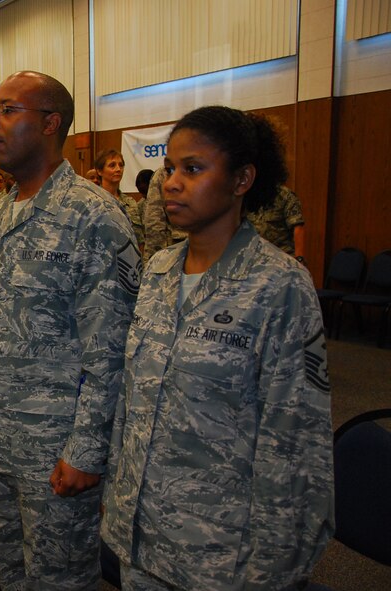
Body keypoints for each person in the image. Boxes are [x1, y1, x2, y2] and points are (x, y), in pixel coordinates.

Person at [101, 105, 334, 590]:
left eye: (193, 169)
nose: (171, 183)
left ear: (242, 179)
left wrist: (274, 565)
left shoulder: (279, 285)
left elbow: (295, 439)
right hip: (140, 535)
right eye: (169, 169)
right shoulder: (159, 271)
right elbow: (133, 396)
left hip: (222, 552)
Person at [0, 71, 140, 590]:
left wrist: (87, 449)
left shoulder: (93, 217)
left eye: (7, 110)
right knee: (8, 570)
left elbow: (112, 349)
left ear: (50, 123)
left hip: (55, 449)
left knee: (58, 579)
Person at [96, 148, 144, 250]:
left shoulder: (130, 203)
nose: (118, 169)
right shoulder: (93, 201)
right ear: (100, 171)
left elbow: (139, 240)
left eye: (121, 165)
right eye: (112, 165)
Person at [246, 184, 306, 263]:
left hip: (282, 258)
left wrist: (299, 258)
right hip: (254, 257)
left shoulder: (285, 195)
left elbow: (297, 226)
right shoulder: (248, 195)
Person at [142, 166, 187, 261]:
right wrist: (156, 260)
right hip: (174, 252)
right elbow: (154, 221)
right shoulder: (163, 174)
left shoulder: (212, 170)